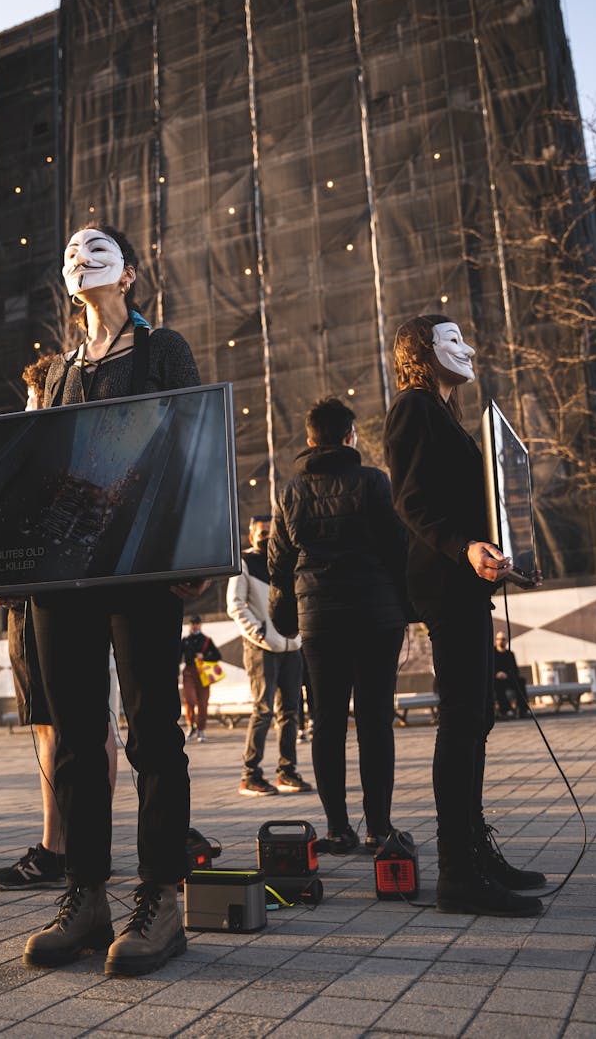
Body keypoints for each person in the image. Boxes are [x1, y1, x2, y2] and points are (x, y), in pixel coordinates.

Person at [22, 223, 207, 976]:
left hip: (142, 569)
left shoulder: (164, 351)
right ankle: (87, 892)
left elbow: (192, 447)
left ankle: (161, 898)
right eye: (69, 251)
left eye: (98, 249)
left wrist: (198, 548)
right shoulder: (58, 374)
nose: (80, 256)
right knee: (73, 734)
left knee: (153, 729)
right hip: (66, 575)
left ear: (130, 274)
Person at [383, 315, 545, 916]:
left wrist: (511, 556)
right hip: (444, 583)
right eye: (452, 341)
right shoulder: (413, 409)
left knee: (474, 721)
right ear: (423, 353)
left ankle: (476, 855)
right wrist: (464, 548)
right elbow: (411, 501)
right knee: (461, 721)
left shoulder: (444, 413)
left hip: (464, 581)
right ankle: (458, 873)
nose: (469, 348)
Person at [0, 354, 118, 892]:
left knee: (67, 722)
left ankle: (63, 848)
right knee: (66, 722)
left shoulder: (66, 461)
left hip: (51, 603)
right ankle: (73, 843)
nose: (29, 411)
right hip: (32, 602)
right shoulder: (63, 458)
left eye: (36, 400)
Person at [268, 397, 409, 853]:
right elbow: (397, 548)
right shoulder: (374, 482)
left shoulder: (289, 493)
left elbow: (278, 565)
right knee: (375, 719)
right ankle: (379, 828)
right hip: (376, 616)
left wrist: (285, 616)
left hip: (321, 621)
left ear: (310, 440)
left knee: (327, 722)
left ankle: (336, 829)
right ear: (350, 436)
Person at [227, 515, 312, 796]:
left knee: (290, 711)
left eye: (269, 532)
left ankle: (287, 772)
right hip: (261, 647)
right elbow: (236, 605)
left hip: (291, 646)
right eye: (260, 532)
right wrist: (259, 633)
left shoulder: (286, 560)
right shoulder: (244, 563)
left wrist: (297, 633)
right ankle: (249, 775)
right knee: (263, 710)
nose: (265, 536)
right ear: (251, 535)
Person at [181, 615, 221, 742]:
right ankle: (191, 725)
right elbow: (177, 657)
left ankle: (201, 729)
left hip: (203, 672)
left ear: (200, 625)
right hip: (189, 672)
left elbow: (217, 656)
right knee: (190, 700)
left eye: (196, 623)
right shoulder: (185, 640)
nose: (194, 626)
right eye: (192, 623)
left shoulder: (206, 640)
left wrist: (204, 657)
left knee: (203, 702)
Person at [494, 630, 530, 719]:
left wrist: (507, 675)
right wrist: (497, 674)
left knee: (521, 681)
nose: (501, 641)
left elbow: (515, 670)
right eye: (498, 639)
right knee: (498, 685)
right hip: (496, 679)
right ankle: (505, 710)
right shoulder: (492, 653)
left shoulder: (510, 654)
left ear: (506, 641)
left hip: (508, 678)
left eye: (503, 639)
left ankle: (523, 709)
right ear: (496, 640)